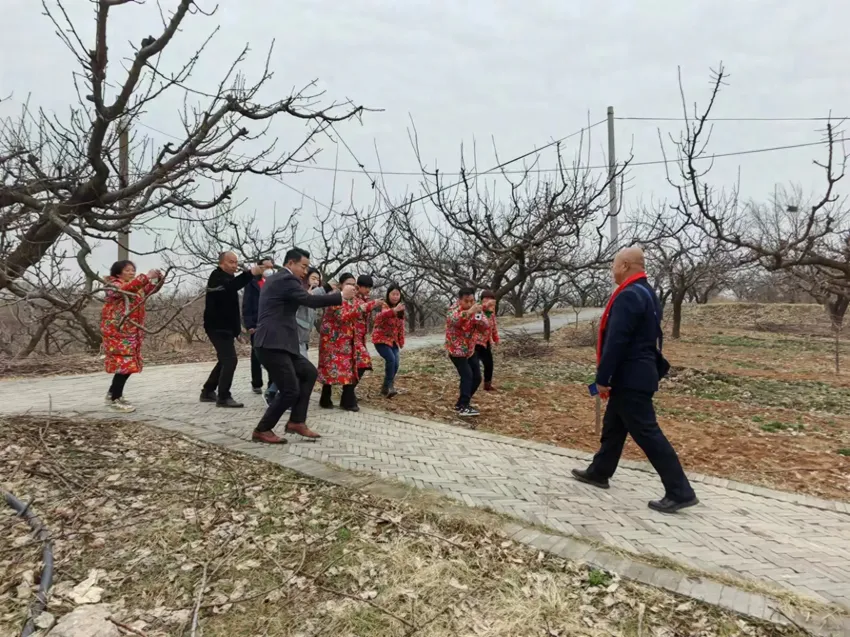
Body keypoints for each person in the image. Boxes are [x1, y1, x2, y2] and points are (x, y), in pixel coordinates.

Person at [571, 246, 699, 514]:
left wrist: (602, 377)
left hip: (630, 377)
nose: (612, 271)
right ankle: (600, 471)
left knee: (648, 433)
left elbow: (617, 341)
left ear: (626, 265)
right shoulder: (648, 293)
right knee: (614, 426)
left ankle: (680, 490)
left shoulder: (629, 295)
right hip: (638, 374)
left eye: (614, 265)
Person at [251, 248, 355, 444]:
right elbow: (308, 300)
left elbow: (304, 296)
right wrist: (341, 295)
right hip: (272, 343)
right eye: (303, 266)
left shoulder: (280, 280)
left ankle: (297, 421)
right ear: (290, 263)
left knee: (308, 372)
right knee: (290, 389)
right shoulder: (285, 280)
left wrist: (325, 289)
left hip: (281, 343)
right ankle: (262, 429)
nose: (306, 271)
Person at [201, 252, 268, 407]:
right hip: (216, 327)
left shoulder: (229, 278)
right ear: (221, 263)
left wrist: (237, 331)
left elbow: (232, 308)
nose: (234, 265)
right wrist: (251, 273)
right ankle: (223, 397)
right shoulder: (216, 277)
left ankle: (207, 391)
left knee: (225, 360)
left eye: (236, 262)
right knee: (230, 360)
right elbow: (231, 287)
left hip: (226, 328)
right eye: (231, 262)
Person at [100, 260, 163, 412]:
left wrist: (158, 280)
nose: (132, 272)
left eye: (133, 270)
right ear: (117, 272)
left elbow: (149, 289)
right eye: (128, 270)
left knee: (129, 365)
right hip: (118, 331)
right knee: (124, 365)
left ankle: (112, 394)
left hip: (131, 331)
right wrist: (145, 276)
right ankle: (115, 398)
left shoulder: (136, 286)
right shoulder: (112, 286)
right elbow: (125, 289)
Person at [264, 267, 324, 405]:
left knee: (293, 369)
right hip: (293, 336)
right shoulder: (299, 290)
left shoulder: (314, 295)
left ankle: (273, 393)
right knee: (303, 370)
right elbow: (306, 299)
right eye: (313, 278)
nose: (315, 281)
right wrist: (324, 289)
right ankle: (290, 400)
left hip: (303, 337)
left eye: (318, 279)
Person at [317, 273, 373, 412]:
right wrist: (364, 307)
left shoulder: (354, 299)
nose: (352, 287)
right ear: (341, 285)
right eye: (349, 284)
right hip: (331, 340)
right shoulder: (334, 297)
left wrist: (367, 303)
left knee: (359, 363)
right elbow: (342, 316)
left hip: (350, 340)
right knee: (330, 369)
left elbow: (361, 311)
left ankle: (347, 398)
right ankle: (326, 397)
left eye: (354, 285)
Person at [445, 287, 490, 417]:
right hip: (457, 350)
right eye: (466, 301)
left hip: (470, 349)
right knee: (467, 376)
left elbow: (486, 326)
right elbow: (454, 320)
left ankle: (462, 403)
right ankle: (463, 406)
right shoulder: (453, 310)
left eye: (472, 301)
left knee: (477, 377)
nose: (469, 304)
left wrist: (480, 315)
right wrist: (470, 312)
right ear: (459, 300)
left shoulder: (476, 310)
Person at [242, 256, 275, 395]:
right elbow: (247, 304)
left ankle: (272, 383)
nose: (268, 270)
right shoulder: (252, 283)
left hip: (273, 323)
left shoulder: (276, 282)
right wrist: (249, 324)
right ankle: (256, 382)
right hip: (257, 323)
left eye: (271, 267)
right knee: (256, 354)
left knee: (274, 354)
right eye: (265, 267)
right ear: (259, 268)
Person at [372, 283, 406, 398]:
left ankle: (386, 387)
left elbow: (401, 326)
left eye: (397, 294)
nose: (395, 297)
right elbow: (379, 317)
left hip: (393, 341)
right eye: (393, 294)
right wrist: (394, 310)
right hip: (381, 339)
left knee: (396, 364)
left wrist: (401, 341)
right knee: (391, 360)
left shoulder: (401, 308)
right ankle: (390, 386)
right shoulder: (383, 305)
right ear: (388, 294)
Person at [475, 290, 500, 391]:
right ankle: (472, 384)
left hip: (486, 342)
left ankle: (487, 384)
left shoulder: (491, 313)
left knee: (489, 364)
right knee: (474, 365)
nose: (489, 301)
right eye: (486, 298)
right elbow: (476, 321)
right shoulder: (477, 309)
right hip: (475, 342)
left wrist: (496, 338)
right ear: (482, 300)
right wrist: (485, 306)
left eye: (491, 299)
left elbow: (493, 326)